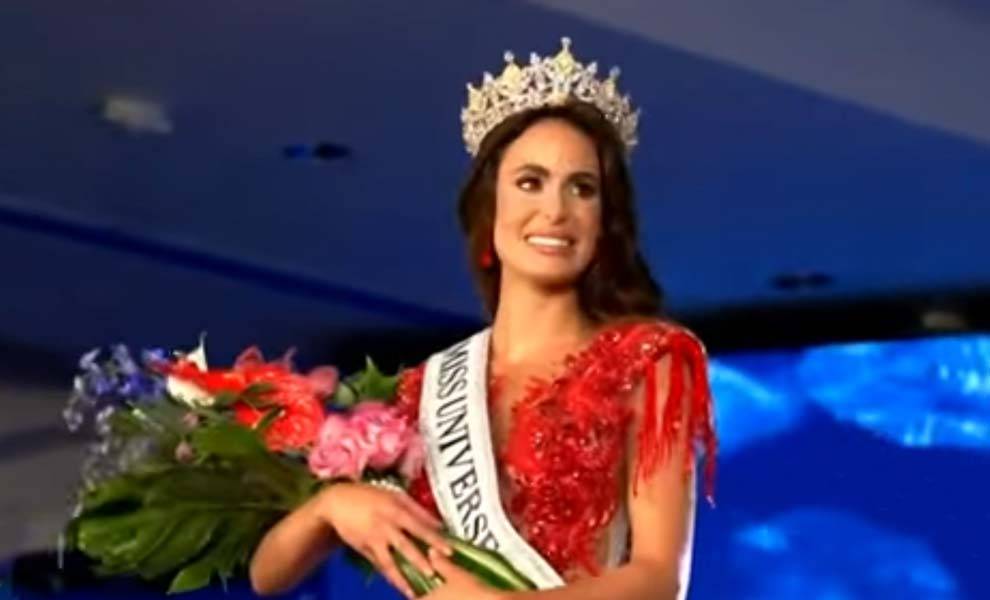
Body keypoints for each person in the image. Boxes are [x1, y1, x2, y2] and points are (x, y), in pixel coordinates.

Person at [249, 38, 717, 600]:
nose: (555, 210)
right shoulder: (427, 390)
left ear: (603, 220)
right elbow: (267, 576)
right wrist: (333, 505)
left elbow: (660, 578)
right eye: (529, 181)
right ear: (489, 208)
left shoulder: (647, 357)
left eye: (583, 189)